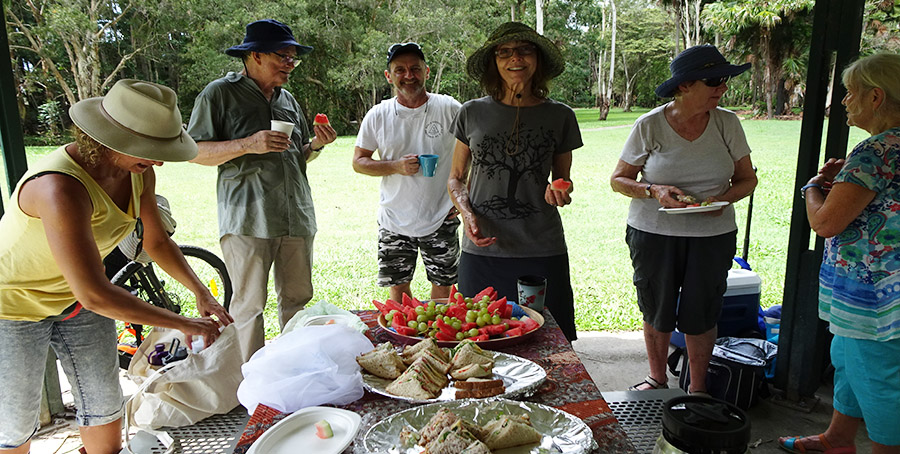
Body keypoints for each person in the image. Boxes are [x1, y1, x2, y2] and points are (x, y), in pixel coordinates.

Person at [0, 79, 232, 454]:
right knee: (15, 422)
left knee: (103, 403)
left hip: (76, 301)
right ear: (108, 139)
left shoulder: (138, 172)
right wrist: (184, 323)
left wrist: (201, 294)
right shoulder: (59, 187)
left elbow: (156, 242)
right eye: (149, 149)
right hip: (12, 306)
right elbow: (94, 293)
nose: (157, 160)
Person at [609, 45, 758, 393]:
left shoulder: (727, 123)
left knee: (702, 311)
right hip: (654, 231)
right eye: (713, 81)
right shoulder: (650, 125)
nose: (722, 89)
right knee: (656, 308)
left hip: (713, 232)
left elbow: (747, 179)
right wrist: (654, 190)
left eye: (723, 81)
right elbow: (618, 180)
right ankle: (656, 379)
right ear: (684, 87)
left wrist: (721, 199)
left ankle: (698, 389)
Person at [187, 19, 337, 361]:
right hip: (247, 217)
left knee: (297, 301)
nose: (289, 64)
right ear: (254, 56)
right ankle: (249, 388)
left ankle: (290, 370)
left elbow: (296, 157)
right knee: (249, 305)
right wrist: (248, 144)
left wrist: (315, 144)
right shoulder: (220, 94)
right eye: (282, 56)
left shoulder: (289, 100)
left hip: (295, 215)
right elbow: (195, 151)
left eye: (292, 57)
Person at [778, 53, 900, 454]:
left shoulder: (876, 153)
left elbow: (826, 223)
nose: (844, 102)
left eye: (851, 94)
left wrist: (812, 186)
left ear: (876, 98)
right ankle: (837, 439)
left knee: (878, 380)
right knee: (848, 361)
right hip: (881, 293)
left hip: (874, 296)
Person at [448, 22, 582, 342]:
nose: (515, 59)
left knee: (549, 338)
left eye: (524, 50)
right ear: (495, 62)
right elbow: (455, 178)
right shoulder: (471, 113)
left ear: (538, 59)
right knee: (477, 337)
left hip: (541, 248)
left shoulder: (560, 116)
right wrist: (467, 214)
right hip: (483, 251)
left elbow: (563, 179)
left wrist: (559, 192)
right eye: (504, 52)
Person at [352, 43, 462, 302]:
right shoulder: (378, 115)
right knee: (398, 290)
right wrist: (395, 166)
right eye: (400, 69)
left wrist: (462, 188)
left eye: (415, 68)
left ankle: (439, 339)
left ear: (426, 71)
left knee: (443, 288)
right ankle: (407, 342)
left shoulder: (449, 108)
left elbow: (472, 150)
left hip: (441, 215)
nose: (409, 75)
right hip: (394, 220)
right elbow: (359, 162)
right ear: (389, 76)